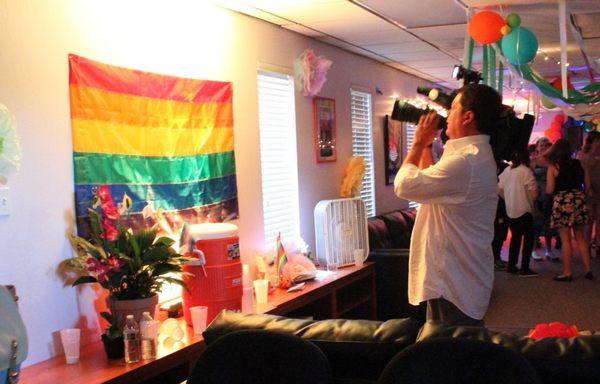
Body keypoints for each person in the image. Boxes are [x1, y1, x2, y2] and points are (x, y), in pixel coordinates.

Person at [394, 84, 502, 326]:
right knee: (458, 350)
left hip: (453, 281)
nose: (447, 115)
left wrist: (417, 145)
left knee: (449, 354)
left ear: (468, 117)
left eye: (453, 108)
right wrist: (428, 147)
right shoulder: (474, 155)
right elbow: (433, 186)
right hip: (459, 275)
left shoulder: (466, 160)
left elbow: (405, 186)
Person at [544, 138, 592, 281]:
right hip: (578, 200)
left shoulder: (554, 167)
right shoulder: (580, 164)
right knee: (580, 237)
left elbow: (550, 189)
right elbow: (588, 186)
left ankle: (567, 272)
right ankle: (588, 269)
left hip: (562, 201)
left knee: (566, 240)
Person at [498, 149, 539, 277]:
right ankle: (525, 268)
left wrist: (509, 199)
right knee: (528, 238)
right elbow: (533, 193)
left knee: (515, 237)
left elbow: (499, 189)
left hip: (511, 209)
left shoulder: (507, 171)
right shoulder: (526, 171)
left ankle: (512, 265)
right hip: (525, 209)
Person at [530, 137, 560, 261]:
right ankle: (533, 249)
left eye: (546, 145)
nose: (543, 147)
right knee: (535, 223)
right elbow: (529, 178)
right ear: (537, 146)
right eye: (541, 144)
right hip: (537, 194)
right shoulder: (533, 160)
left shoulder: (553, 161)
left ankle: (549, 250)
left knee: (548, 223)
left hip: (549, 194)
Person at [579, 131, 600, 258]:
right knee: (589, 219)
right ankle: (586, 246)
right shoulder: (583, 155)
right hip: (588, 190)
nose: (598, 143)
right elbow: (581, 172)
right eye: (596, 140)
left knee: (599, 218)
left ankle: (598, 245)